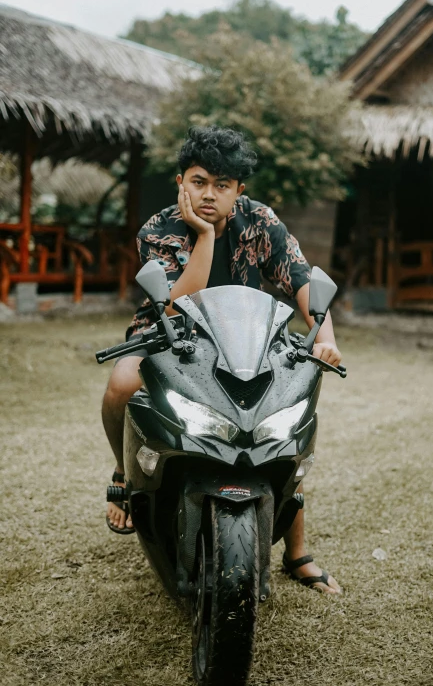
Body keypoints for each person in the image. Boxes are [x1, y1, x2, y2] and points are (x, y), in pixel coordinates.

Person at [102, 126, 342, 595]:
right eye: (198, 181)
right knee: (122, 383)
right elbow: (172, 306)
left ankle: (297, 551)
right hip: (169, 332)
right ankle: (124, 472)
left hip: (245, 336)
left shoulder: (261, 221)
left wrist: (323, 339)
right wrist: (206, 237)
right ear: (180, 182)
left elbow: (300, 278)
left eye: (222, 185)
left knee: (288, 412)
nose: (208, 194)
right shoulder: (158, 229)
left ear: (239, 189)